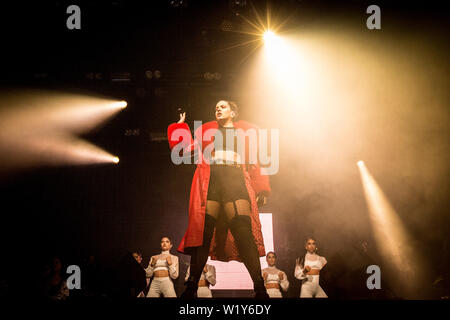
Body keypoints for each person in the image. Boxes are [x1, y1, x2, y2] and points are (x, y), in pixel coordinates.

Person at [167, 100, 271, 298]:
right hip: (213, 179)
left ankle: (259, 287)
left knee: (243, 232)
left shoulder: (246, 132)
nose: (218, 109)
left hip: (235, 180)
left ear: (233, 112)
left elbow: (257, 159)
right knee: (203, 235)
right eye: (216, 107)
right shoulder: (207, 131)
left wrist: (261, 189)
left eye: (223, 106)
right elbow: (182, 150)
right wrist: (180, 126)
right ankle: (191, 288)